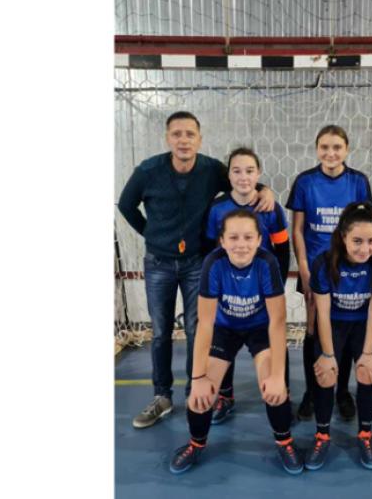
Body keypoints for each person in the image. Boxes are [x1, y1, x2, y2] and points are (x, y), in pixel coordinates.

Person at [117, 111, 274, 429]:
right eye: (177, 134)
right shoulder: (148, 170)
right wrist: (151, 234)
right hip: (158, 263)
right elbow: (126, 204)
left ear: (200, 139)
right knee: (160, 332)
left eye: (190, 134)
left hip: (196, 264)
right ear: (167, 138)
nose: (183, 140)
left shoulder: (211, 169)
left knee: (197, 329)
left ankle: (196, 391)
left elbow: (242, 182)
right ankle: (162, 396)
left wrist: (266, 189)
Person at [168, 209, 301, 475]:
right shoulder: (213, 263)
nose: (241, 244)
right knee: (201, 395)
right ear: (222, 241)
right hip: (225, 328)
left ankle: (284, 441)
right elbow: (205, 323)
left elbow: (277, 321)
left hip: (259, 328)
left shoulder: (267, 263)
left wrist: (277, 376)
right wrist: (198, 378)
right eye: (234, 237)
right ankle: (196, 443)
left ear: (259, 239)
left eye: (248, 237)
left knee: (274, 388)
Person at [286, 125, 372, 422]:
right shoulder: (305, 181)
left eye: (337, 147)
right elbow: (298, 230)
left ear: (346, 149)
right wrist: (304, 268)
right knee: (314, 330)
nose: (331, 152)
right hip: (316, 269)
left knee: (345, 329)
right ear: (317, 149)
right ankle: (313, 392)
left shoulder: (358, 181)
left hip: (350, 270)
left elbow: (366, 225)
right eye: (325, 147)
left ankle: (342, 392)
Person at [204, 147, 290, 424]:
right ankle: (225, 396)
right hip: (228, 291)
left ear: (259, 173)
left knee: (274, 339)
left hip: (263, 290)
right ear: (228, 175)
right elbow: (210, 250)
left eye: (250, 171)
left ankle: (281, 392)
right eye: (237, 171)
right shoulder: (217, 208)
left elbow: (283, 248)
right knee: (223, 337)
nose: (243, 177)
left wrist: (277, 285)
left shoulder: (270, 207)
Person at [305, 201, 372, 471]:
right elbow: (322, 312)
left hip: (363, 325)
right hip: (333, 324)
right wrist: (327, 355)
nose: (365, 248)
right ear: (343, 237)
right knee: (326, 375)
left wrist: (369, 353)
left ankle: (365, 434)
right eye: (357, 241)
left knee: (367, 372)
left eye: (371, 241)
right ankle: (322, 434)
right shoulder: (324, 262)